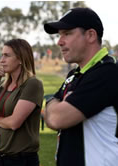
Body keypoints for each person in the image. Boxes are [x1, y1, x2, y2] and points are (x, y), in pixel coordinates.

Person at [43, 7, 118, 166]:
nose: (59, 41)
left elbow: (55, 118)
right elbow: (50, 108)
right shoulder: (74, 75)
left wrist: (54, 104)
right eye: (59, 35)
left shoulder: (107, 73)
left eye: (67, 34)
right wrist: (53, 104)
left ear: (90, 35)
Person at [0, 39, 44, 166]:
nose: (1, 60)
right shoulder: (3, 86)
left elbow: (15, 123)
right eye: (1, 55)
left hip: (20, 159)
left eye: (7, 55)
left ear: (21, 58)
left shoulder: (32, 84)